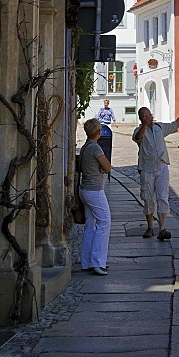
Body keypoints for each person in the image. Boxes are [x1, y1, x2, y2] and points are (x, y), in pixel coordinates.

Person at [133, 94, 179, 240]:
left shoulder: (160, 127)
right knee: (148, 198)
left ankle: (162, 228)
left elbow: (175, 125)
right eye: (147, 115)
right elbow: (138, 138)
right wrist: (144, 126)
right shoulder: (139, 131)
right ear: (142, 118)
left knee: (163, 197)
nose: (150, 117)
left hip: (162, 166)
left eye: (150, 114)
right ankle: (149, 227)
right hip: (147, 169)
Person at [79, 118, 112, 276]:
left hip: (85, 189)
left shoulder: (85, 147)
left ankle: (86, 261)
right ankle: (98, 262)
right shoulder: (95, 148)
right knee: (104, 223)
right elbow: (107, 167)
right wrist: (102, 169)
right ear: (98, 132)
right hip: (95, 190)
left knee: (90, 225)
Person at [96, 99, 115, 167]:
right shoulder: (101, 110)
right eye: (104, 103)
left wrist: (114, 122)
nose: (105, 104)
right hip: (102, 123)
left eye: (106, 103)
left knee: (109, 135)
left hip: (108, 123)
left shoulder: (110, 110)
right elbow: (98, 116)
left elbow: (112, 116)